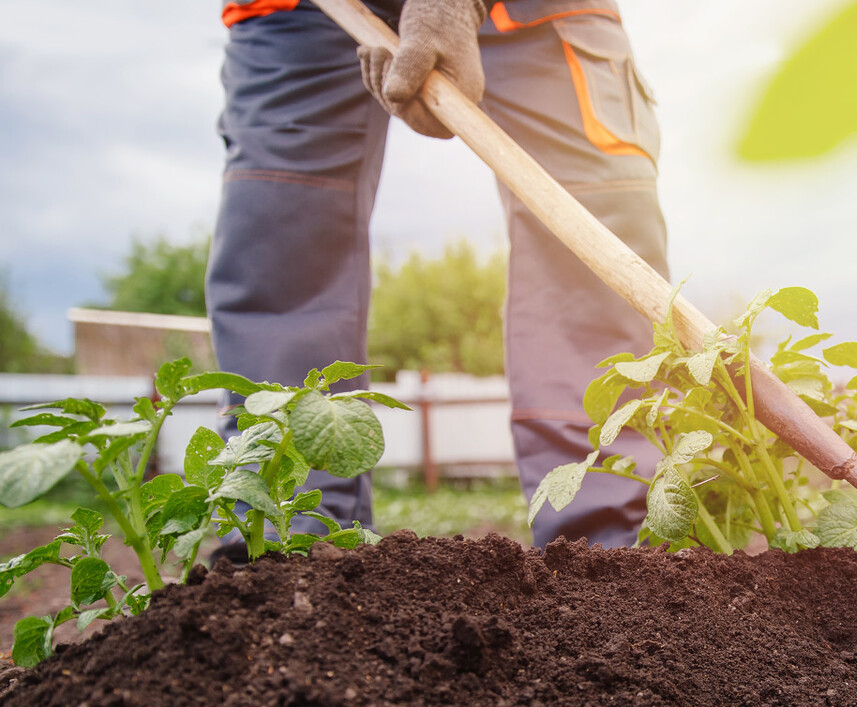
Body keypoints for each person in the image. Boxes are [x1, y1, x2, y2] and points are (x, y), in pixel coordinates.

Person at [207, 0, 669, 550]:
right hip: (302, 13)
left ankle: (613, 553)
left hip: (533, 11)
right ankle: (285, 545)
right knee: (280, 234)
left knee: (593, 239)